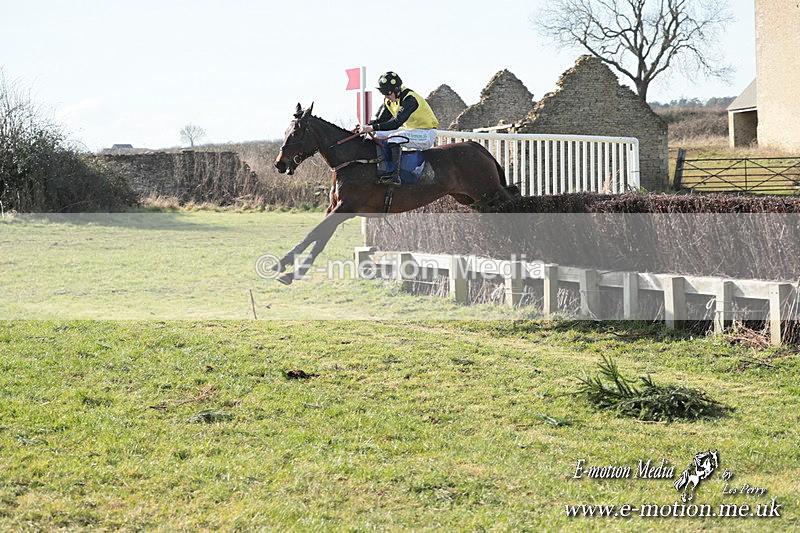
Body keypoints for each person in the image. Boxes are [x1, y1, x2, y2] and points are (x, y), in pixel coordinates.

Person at [356, 71, 439, 185]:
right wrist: (365, 126)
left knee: (395, 138)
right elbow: (381, 121)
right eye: (384, 94)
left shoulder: (410, 99)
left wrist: (371, 127)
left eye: (388, 93)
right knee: (378, 135)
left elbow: (396, 123)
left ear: (396, 89)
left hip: (426, 134)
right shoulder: (389, 101)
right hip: (413, 132)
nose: (386, 97)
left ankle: (395, 175)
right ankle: (381, 166)